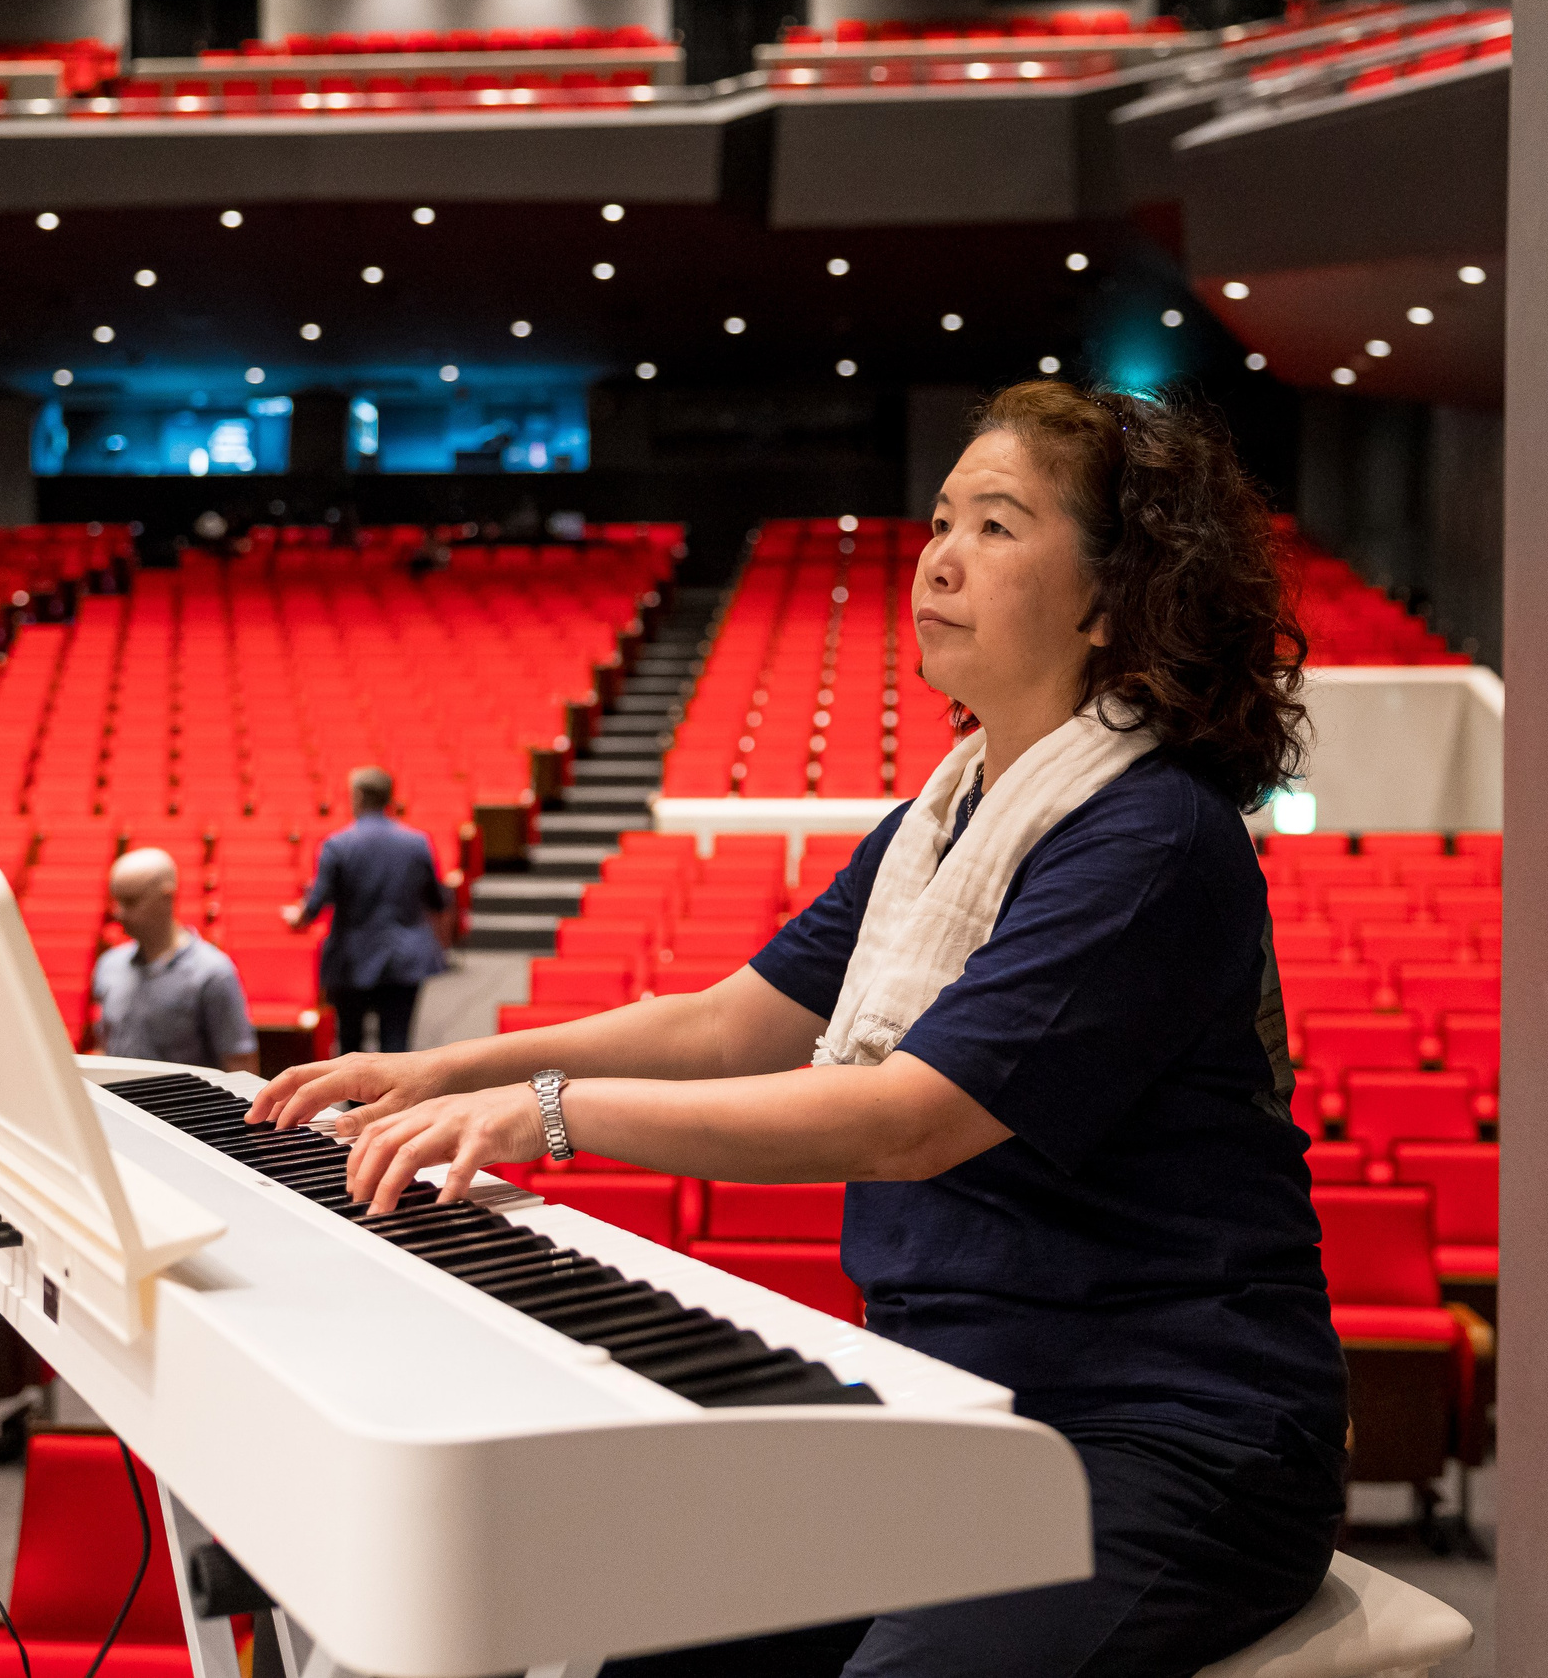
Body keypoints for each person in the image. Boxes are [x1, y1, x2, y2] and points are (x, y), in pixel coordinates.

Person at [250, 384, 1349, 1678]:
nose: (938, 558)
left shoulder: (1151, 836)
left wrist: (547, 1112)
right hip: (954, 1396)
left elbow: (909, 1118)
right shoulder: (942, 821)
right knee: (641, 1640)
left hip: (1171, 1429)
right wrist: (442, 1064)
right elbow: (729, 1022)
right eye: (941, 521)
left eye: (997, 526)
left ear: (1115, 596)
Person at [284, 766, 451, 1055]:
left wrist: (296, 916)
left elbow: (314, 907)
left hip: (352, 957)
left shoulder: (337, 844)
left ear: (358, 797)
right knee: (396, 1045)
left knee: (350, 1046)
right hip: (404, 958)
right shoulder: (416, 843)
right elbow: (437, 900)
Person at [94, 848, 260, 1074]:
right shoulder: (109, 965)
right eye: (116, 901)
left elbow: (239, 1065)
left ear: (167, 897)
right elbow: (105, 1046)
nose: (118, 912)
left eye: (130, 901)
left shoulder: (212, 973)